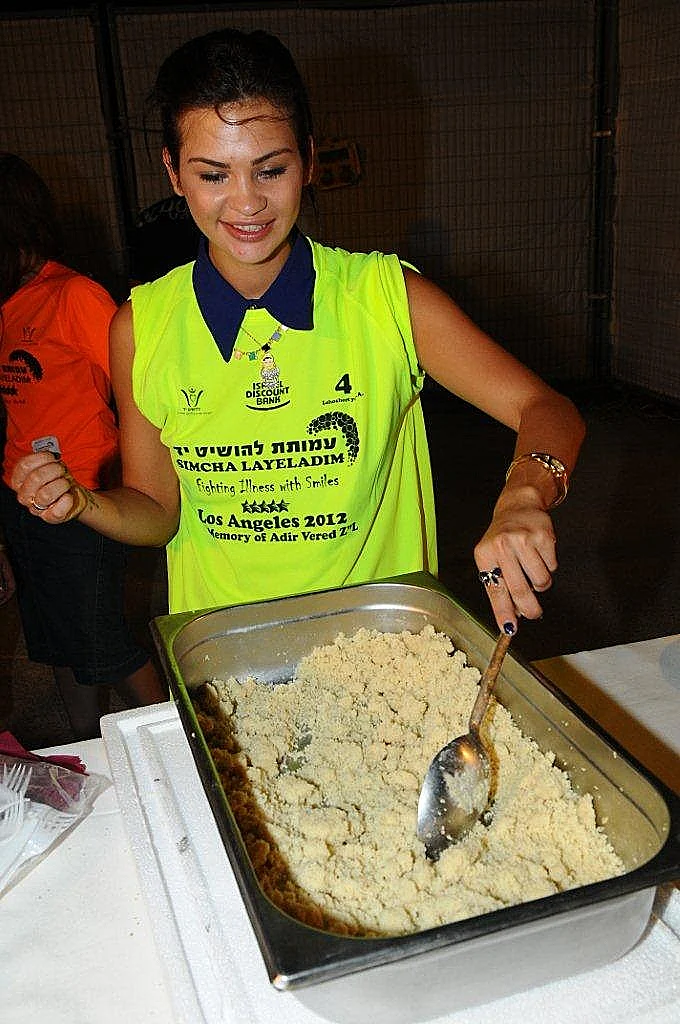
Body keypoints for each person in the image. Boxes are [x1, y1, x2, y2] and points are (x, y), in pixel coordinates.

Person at [8, 29, 585, 640]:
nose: (246, 203)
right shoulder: (142, 325)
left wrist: (524, 492)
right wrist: (83, 502)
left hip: (381, 649)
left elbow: (546, 408)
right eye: (213, 175)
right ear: (174, 174)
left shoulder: (389, 300)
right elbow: (157, 509)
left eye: (270, 170)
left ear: (307, 160)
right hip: (230, 655)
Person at [0, 152, 166, 740]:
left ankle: (183, 744)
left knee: (106, 645)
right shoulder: (5, 305)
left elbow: (142, 391)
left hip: (85, 503)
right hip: (21, 504)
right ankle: (84, 744)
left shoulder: (73, 297)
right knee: (61, 645)